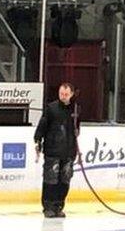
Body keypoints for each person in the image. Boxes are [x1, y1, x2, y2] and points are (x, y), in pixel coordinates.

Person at [33, 83, 79, 218]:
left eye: (66, 94)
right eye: (61, 94)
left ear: (71, 94)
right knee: (50, 179)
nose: (63, 96)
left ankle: (59, 205)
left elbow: (77, 129)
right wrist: (38, 140)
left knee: (65, 179)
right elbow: (42, 125)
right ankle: (48, 206)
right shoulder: (51, 108)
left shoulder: (75, 109)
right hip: (53, 150)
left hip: (69, 151)